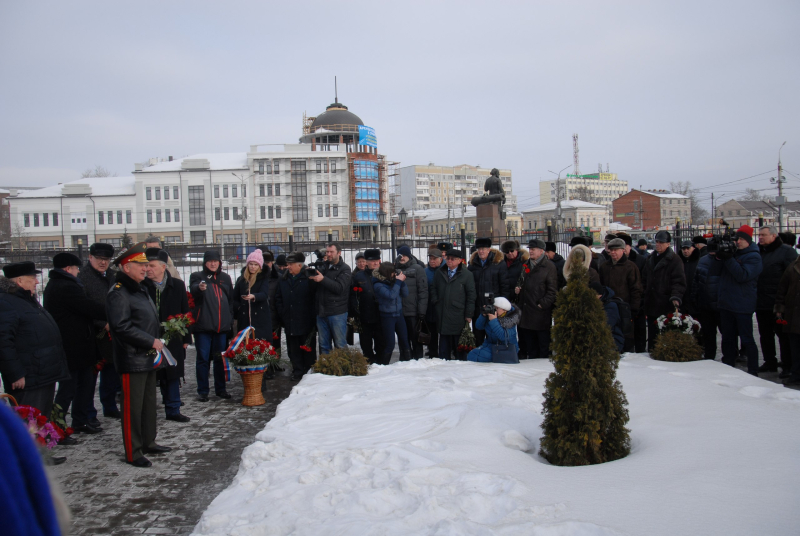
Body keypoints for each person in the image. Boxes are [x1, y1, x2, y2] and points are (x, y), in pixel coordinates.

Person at [106, 243, 172, 467]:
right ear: (126, 267)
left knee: (148, 404)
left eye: (147, 265)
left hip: (147, 355)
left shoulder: (139, 288)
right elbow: (121, 327)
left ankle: (148, 442)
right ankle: (133, 452)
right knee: (132, 408)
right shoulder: (119, 292)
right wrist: (150, 341)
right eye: (140, 265)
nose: (146, 269)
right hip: (132, 357)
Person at [45, 252, 106, 434]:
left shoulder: (59, 284)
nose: (78, 271)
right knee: (69, 388)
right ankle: (58, 426)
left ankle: (80, 420)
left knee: (83, 385)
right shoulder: (66, 286)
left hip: (78, 344)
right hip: (73, 345)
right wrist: (113, 311)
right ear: (67, 269)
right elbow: (87, 306)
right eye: (76, 268)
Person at [0, 262, 68, 419]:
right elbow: (3, 342)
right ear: (19, 281)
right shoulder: (6, 303)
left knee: (40, 423)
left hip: (41, 374)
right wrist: (15, 373)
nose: (37, 281)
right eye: (32, 277)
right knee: (29, 423)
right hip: (28, 379)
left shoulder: (26, 299)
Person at [145, 248, 191, 423]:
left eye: (152, 266)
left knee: (172, 373)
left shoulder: (177, 285)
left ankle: (173, 408)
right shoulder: (142, 286)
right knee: (152, 375)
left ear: (163, 267)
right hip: (149, 338)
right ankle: (148, 411)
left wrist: (186, 338)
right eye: (146, 265)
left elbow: (185, 312)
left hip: (173, 338)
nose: (148, 269)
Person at [79, 243, 121, 420]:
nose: (103, 262)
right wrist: (102, 323)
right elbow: (82, 306)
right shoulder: (82, 277)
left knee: (111, 373)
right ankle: (88, 412)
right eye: (99, 259)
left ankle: (109, 406)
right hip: (92, 335)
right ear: (90, 258)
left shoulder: (113, 276)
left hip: (112, 334)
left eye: (106, 259)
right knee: (90, 377)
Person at [716, 225, 763, 375]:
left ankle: (753, 370)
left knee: (746, 339)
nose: (738, 242)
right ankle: (728, 366)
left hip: (742, 305)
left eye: (742, 239)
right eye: (737, 238)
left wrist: (728, 258)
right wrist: (719, 255)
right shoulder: (733, 253)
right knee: (727, 339)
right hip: (727, 303)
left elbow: (742, 275)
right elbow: (716, 271)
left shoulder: (754, 257)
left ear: (749, 240)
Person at [189, 250, 233, 401]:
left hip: (222, 327)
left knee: (220, 359)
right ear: (205, 263)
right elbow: (194, 288)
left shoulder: (225, 278)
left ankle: (221, 389)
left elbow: (230, 300)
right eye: (210, 261)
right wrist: (199, 288)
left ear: (219, 263)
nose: (213, 264)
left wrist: (229, 319)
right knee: (203, 359)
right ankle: (203, 391)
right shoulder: (197, 276)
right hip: (203, 326)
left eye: (216, 261)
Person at [756, 225, 797, 375]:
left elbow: (792, 277)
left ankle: (788, 365)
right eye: (759, 235)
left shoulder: (786, 252)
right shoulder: (758, 251)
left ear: (774, 236)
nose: (760, 237)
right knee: (765, 335)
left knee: (783, 336)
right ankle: (769, 361)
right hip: (761, 302)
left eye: (764, 235)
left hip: (779, 303)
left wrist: (784, 301)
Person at [275, 252, 317, 379]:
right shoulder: (284, 279)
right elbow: (278, 298)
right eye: (287, 264)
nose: (288, 267)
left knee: (307, 347)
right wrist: (283, 312)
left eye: (291, 264)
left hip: (306, 320)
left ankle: (308, 372)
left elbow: (315, 298)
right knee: (293, 349)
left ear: (299, 265)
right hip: (290, 319)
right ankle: (297, 370)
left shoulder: (309, 278)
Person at [642, 230, 686, 351]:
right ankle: (651, 353)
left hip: (666, 304)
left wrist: (676, 296)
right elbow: (644, 278)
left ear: (668, 244)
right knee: (652, 335)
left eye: (661, 242)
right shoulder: (650, 258)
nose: (658, 244)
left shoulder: (675, 260)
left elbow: (679, 281)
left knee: (665, 335)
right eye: (657, 241)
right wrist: (644, 293)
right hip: (651, 302)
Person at [515, 239, 557, 359]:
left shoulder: (549, 267)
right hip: (526, 311)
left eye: (533, 249)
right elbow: (521, 281)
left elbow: (552, 291)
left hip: (540, 313)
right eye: (530, 249)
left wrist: (542, 304)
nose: (531, 251)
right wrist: (518, 290)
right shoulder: (526, 264)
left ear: (541, 251)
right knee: (531, 347)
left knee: (543, 346)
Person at [598, 238, 642, 353]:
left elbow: (636, 289)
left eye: (616, 250)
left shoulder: (630, 267)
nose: (613, 252)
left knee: (626, 335)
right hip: (608, 308)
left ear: (623, 250)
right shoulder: (604, 267)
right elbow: (601, 287)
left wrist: (634, 309)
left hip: (625, 308)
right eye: (611, 250)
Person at [431, 249, 476, 361]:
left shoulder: (466, 275)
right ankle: (444, 362)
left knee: (458, 342)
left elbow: (471, 295)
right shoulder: (440, 272)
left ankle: (460, 363)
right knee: (444, 343)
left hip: (458, 313)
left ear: (459, 261)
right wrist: (436, 301)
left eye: (453, 259)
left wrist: (469, 314)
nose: (449, 261)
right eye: (448, 258)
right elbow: (433, 288)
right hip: (442, 311)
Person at [307, 243, 351, 356]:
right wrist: (312, 277)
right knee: (323, 345)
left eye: (331, 252)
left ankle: (342, 366)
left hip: (337, 313)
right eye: (327, 252)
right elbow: (315, 289)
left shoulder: (345, 269)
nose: (329, 254)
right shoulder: (323, 267)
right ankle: (325, 366)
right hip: (321, 312)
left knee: (340, 344)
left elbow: (339, 288)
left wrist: (323, 279)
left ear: (339, 253)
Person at [468, 238, 510, 347]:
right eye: (479, 249)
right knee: (478, 336)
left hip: (494, 308)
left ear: (489, 249)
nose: (481, 251)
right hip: (478, 307)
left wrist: (501, 307)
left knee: (493, 336)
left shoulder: (498, 263)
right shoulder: (472, 264)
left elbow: (504, 286)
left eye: (483, 249)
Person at [350, 249, 385, 364]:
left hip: (380, 314)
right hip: (364, 314)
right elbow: (353, 294)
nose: (375, 263)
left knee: (381, 340)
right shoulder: (359, 276)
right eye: (372, 261)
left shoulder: (384, 273)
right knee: (365, 342)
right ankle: (369, 361)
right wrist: (355, 308)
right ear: (367, 262)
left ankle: (380, 362)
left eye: (377, 260)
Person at [372, 262, 410, 364]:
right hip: (387, 317)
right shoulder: (378, 284)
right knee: (390, 344)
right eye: (392, 272)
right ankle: (384, 365)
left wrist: (402, 282)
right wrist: (398, 282)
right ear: (387, 273)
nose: (394, 273)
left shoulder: (394, 282)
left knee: (404, 341)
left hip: (399, 314)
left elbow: (405, 294)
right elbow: (391, 296)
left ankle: (408, 364)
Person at [395, 245, 428, 360]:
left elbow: (423, 291)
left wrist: (421, 310)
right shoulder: (395, 269)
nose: (402, 257)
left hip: (413, 311)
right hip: (399, 311)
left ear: (409, 256)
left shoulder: (417, 269)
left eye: (404, 255)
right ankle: (404, 359)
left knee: (415, 338)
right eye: (400, 255)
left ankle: (418, 359)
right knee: (403, 338)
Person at [616, 233, 648, 352]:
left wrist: (639, 300)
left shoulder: (640, 260)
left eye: (624, 246)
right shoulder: (613, 262)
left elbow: (644, 281)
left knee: (639, 329)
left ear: (629, 246)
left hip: (637, 301)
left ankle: (640, 352)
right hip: (621, 301)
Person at [232, 249, 272, 340]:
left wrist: (254, 296)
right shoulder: (241, 279)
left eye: (256, 264)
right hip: (244, 316)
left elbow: (264, 294)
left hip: (260, 317)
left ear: (259, 266)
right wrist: (239, 308)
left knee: (259, 343)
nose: (253, 267)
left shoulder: (263, 279)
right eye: (251, 264)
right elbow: (234, 297)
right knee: (244, 343)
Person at [692, 241, 722, 360]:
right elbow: (696, 281)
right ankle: (710, 357)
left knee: (726, 334)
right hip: (706, 304)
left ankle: (729, 357)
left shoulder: (726, 260)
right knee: (708, 334)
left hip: (721, 304)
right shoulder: (703, 260)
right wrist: (695, 298)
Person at [467, 297, 520, 362]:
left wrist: (493, 320)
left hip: (506, 349)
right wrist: (483, 315)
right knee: (472, 354)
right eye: (493, 307)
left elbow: (503, 337)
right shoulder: (492, 315)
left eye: (497, 308)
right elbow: (479, 326)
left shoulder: (509, 320)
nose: (494, 310)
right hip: (491, 345)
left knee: (477, 356)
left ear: (505, 310)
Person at [774, 255, 800, 385]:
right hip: (793, 315)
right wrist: (779, 307)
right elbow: (782, 288)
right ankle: (796, 375)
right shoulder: (793, 266)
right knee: (795, 347)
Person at [589, 282, 625, 353]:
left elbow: (605, 325)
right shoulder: (593, 305)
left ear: (599, 295)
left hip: (613, 339)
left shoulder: (610, 306)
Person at [424, 248, 443, 358]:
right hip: (429, 306)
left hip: (441, 305)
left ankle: (445, 351)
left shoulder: (445, 271)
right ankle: (432, 352)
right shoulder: (425, 271)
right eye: (430, 259)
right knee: (431, 330)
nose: (432, 261)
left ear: (440, 259)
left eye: (434, 259)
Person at [678, 240, 701, 317]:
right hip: (682, 300)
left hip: (695, 300)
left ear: (693, 248)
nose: (685, 251)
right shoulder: (679, 262)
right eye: (683, 249)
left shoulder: (699, 262)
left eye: (688, 248)